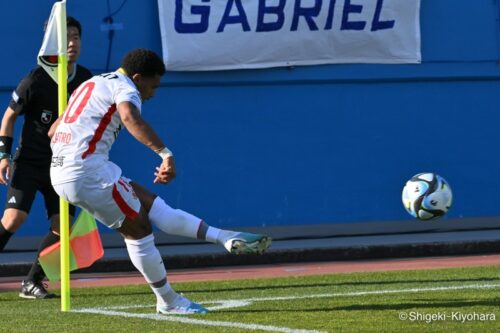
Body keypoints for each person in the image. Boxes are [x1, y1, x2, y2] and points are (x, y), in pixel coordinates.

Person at [49, 48, 271, 314]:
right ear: (138, 77)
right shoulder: (125, 87)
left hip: (68, 169)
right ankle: (168, 301)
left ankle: (222, 237)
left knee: (151, 204)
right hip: (87, 171)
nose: (152, 93)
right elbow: (130, 117)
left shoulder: (91, 83)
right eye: (152, 86)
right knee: (138, 230)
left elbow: (53, 130)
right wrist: (165, 154)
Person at [0, 17, 93, 299]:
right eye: (66, 38)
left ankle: (32, 281)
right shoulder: (36, 79)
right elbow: (9, 117)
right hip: (29, 162)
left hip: (63, 166)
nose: (72, 43)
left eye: (76, 36)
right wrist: (3, 155)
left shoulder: (86, 80)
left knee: (62, 228)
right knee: (14, 219)